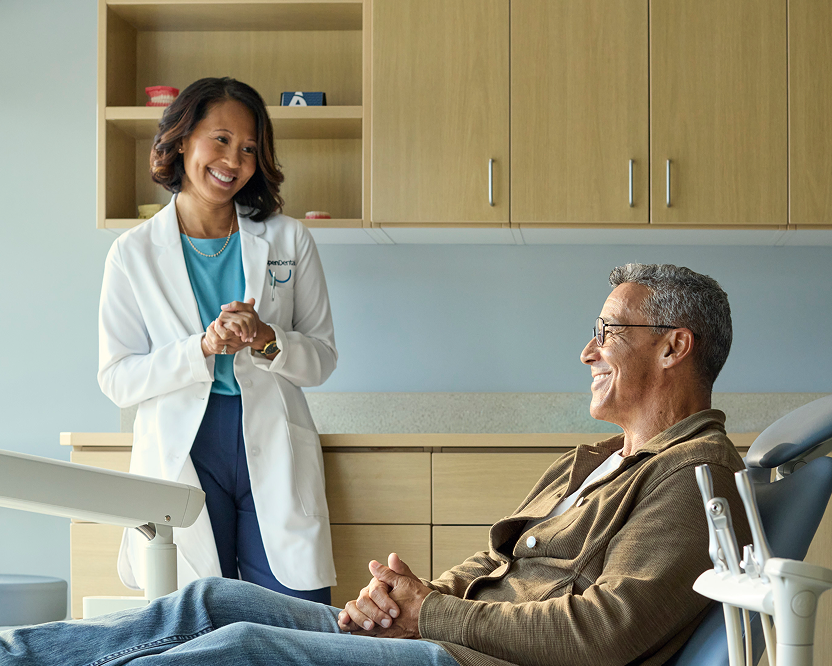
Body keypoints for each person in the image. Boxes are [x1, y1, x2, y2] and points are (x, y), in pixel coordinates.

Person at [3, 263, 751, 666]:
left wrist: (430, 613)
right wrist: (400, 604)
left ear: (673, 345)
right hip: (448, 635)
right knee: (213, 601)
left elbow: (605, 636)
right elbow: (494, 569)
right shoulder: (594, 460)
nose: (588, 351)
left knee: (238, 652)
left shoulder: (693, 475)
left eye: (608, 332)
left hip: (478, 662)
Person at [96, 77, 337, 603]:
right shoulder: (132, 253)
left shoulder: (287, 238)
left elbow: (320, 358)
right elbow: (117, 378)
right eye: (221, 139)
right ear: (182, 139)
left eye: (250, 147)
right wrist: (200, 348)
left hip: (270, 440)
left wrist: (266, 339)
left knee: (297, 618)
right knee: (197, 616)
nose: (235, 159)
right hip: (186, 447)